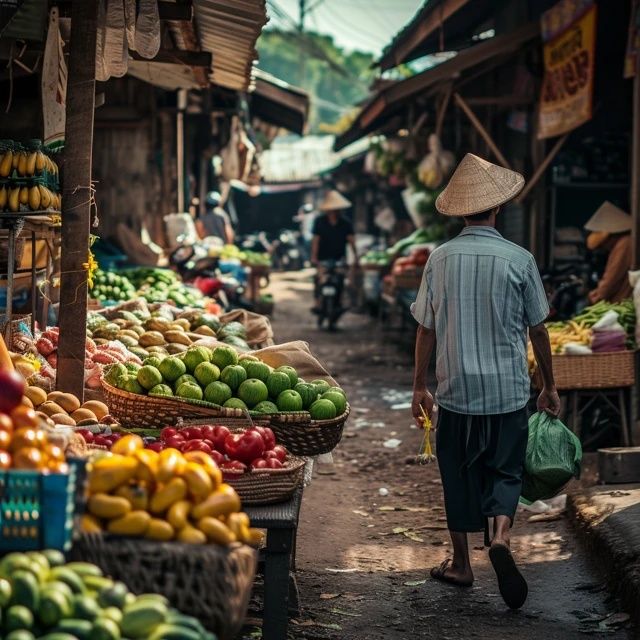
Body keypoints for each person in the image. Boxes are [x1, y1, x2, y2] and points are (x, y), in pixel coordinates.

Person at [411, 154, 559, 611]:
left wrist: (419, 384)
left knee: (457, 475)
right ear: (497, 209)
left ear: (460, 211)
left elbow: (425, 327)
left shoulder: (440, 258)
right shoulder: (520, 258)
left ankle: (460, 563)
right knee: (505, 470)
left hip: (455, 392)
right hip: (508, 391)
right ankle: (500, 537)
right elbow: (538, 328)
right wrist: (548, 386)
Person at [311, 189, 359, 311]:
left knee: (340, 281)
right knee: (319, 279)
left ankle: (339, 302)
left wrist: (356, 256)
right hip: (323, 258)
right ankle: (317, 302)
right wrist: (314, 257)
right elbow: (316, 240)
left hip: (339, 258)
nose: (333, 212)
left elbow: (351, 241)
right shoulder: (319, 221)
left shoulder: (346, 223)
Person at [584, 201, 633, 304]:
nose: (604, 248)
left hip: (621, 301)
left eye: (602, 245)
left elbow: (612, 277)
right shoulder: (623, 244)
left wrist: (598, 294)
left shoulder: (624, 244)